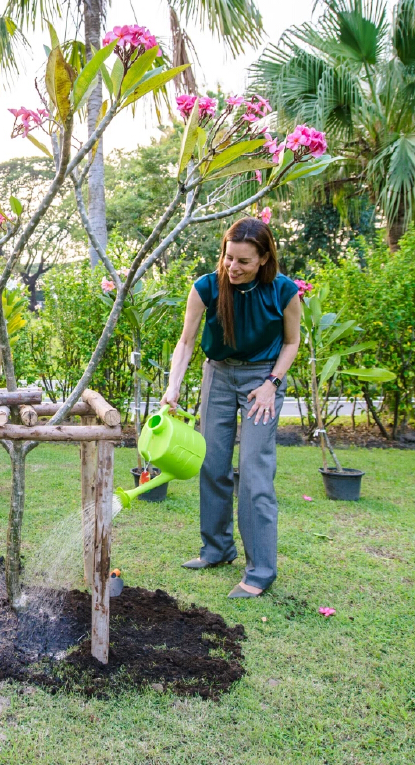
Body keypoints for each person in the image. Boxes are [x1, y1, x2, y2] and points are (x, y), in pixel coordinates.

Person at [161, 217, 301, 598]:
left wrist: (272, 385)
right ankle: (217, 549)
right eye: (228, 258)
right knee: (212, 462)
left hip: (262, 382)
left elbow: (291, 343)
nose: (232, 268)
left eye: (243, 261)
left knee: (255, 472)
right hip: (218, 376)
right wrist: (173, 387)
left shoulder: (284, 292)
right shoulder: (206, 287)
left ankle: (260, 572)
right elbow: (186, 342)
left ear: (263, 258)